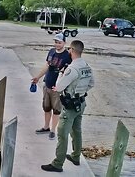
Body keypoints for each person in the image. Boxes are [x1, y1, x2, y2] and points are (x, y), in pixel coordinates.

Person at [41, 40, 94, 172]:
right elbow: (92, 83)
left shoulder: (72, 68)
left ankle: (58, 163)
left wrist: (60, 79)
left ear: (71, 50)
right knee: (77, 130)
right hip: (81, 103)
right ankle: (76, 156)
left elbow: (59, 87)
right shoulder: (86, 66)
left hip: (70, 106)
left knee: (62, 133)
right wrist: (80, 91)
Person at [32, 33, 71, 140]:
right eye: (56, 42)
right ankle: (46, 127)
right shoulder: (51, 52)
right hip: (47, 84)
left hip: (57, 88)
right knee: (46, 107)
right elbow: (46, 66)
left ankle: (53, 130)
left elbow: (68, 73)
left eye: (59, 42)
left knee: (56, 110)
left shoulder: (67, 56)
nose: (57, 44)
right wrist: (38, 77)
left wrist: (61, 86)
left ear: (64, 43)